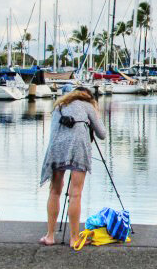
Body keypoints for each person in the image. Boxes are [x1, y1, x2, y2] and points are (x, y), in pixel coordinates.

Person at [39, 87, 108, 246]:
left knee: (55, 191)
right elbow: (102, 134)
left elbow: (54, 131)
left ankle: (50, 236)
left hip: (56, 148)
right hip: (78, 148)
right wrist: (92, 119)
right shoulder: (87, 106)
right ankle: (74, 238)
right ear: (90, 98)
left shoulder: (59, 106)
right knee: (75, 193)